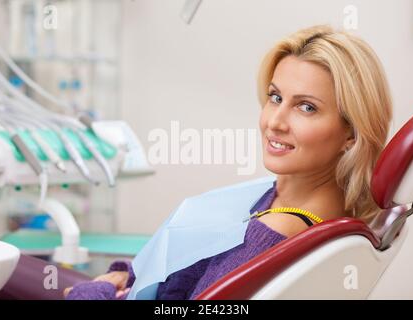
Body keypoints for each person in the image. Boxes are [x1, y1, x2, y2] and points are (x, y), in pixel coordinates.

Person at [64, 24, 393, 300]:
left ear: (351, 132)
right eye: (275, 97)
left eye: (306, 107)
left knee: (20, 268)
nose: (274, 122)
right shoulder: (286, 199)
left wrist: (94, 292)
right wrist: (128, 276)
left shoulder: (275, 234)